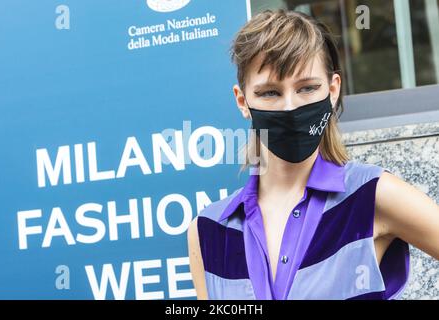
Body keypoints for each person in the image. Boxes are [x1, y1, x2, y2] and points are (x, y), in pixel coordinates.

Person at [187, 9, 439, 300]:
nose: (290, 107)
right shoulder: (207, 230)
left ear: (332, 90)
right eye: (270, 93)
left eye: (307, 88)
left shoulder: (372, 195)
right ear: (242, 101)